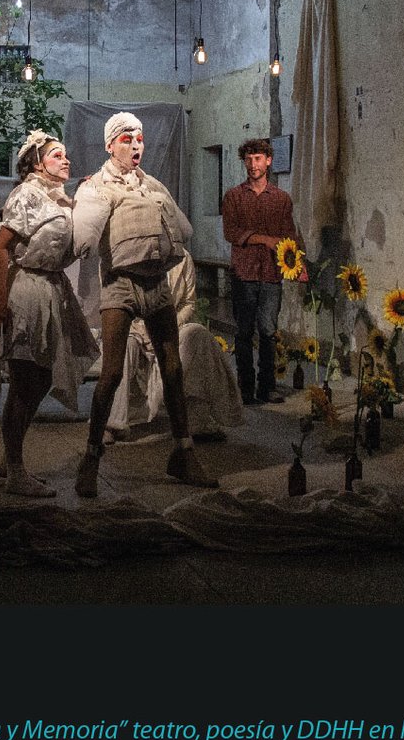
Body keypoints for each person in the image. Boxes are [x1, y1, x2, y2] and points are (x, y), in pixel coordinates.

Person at [71, 112, 216, 495]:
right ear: (110, 145)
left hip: (156, 284)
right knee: (111, 373)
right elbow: (83, 239)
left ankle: (184, 452)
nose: (136, 145)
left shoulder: (152, 185)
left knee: (173, 367)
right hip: (120, 285)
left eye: (140, 139)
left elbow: (182, 229)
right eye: (127, 139)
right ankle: (91, 457)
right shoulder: (97, 185)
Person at [0, 130, 100, 497]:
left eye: (65, 154)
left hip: (51, 288)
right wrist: (0, 300)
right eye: (56, 155)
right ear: (37, 164)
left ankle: (10, 458)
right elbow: (1, 247)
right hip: (28, 291)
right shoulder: (27, 194)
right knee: (25, 381)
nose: (66, 160)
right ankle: (16, 470)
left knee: (41, 377)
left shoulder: (59, 198)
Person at [106, 251, 245, 443]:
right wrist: (144, 328)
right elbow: (120, 304)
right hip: (136, 327)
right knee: (127, 343)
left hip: (171, 326)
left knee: (198, 335)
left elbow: (188, 303)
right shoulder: (133, 251)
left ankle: (197, 421)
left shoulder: (183, 257)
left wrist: (169, 325)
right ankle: (113, 423)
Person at [221, 137, 300, 405]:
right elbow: (231, 232)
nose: (253, 164)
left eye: (258, 159)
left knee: (268, 332)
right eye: (248, 159)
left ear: (268, 161)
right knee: (243, 332)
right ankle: (245, 388)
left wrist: (297, 264)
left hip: (271, 274)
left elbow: (289, 236)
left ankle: (267, 387)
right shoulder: (233, 196)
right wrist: (265, 239)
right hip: (243, 274)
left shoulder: (281, 199)